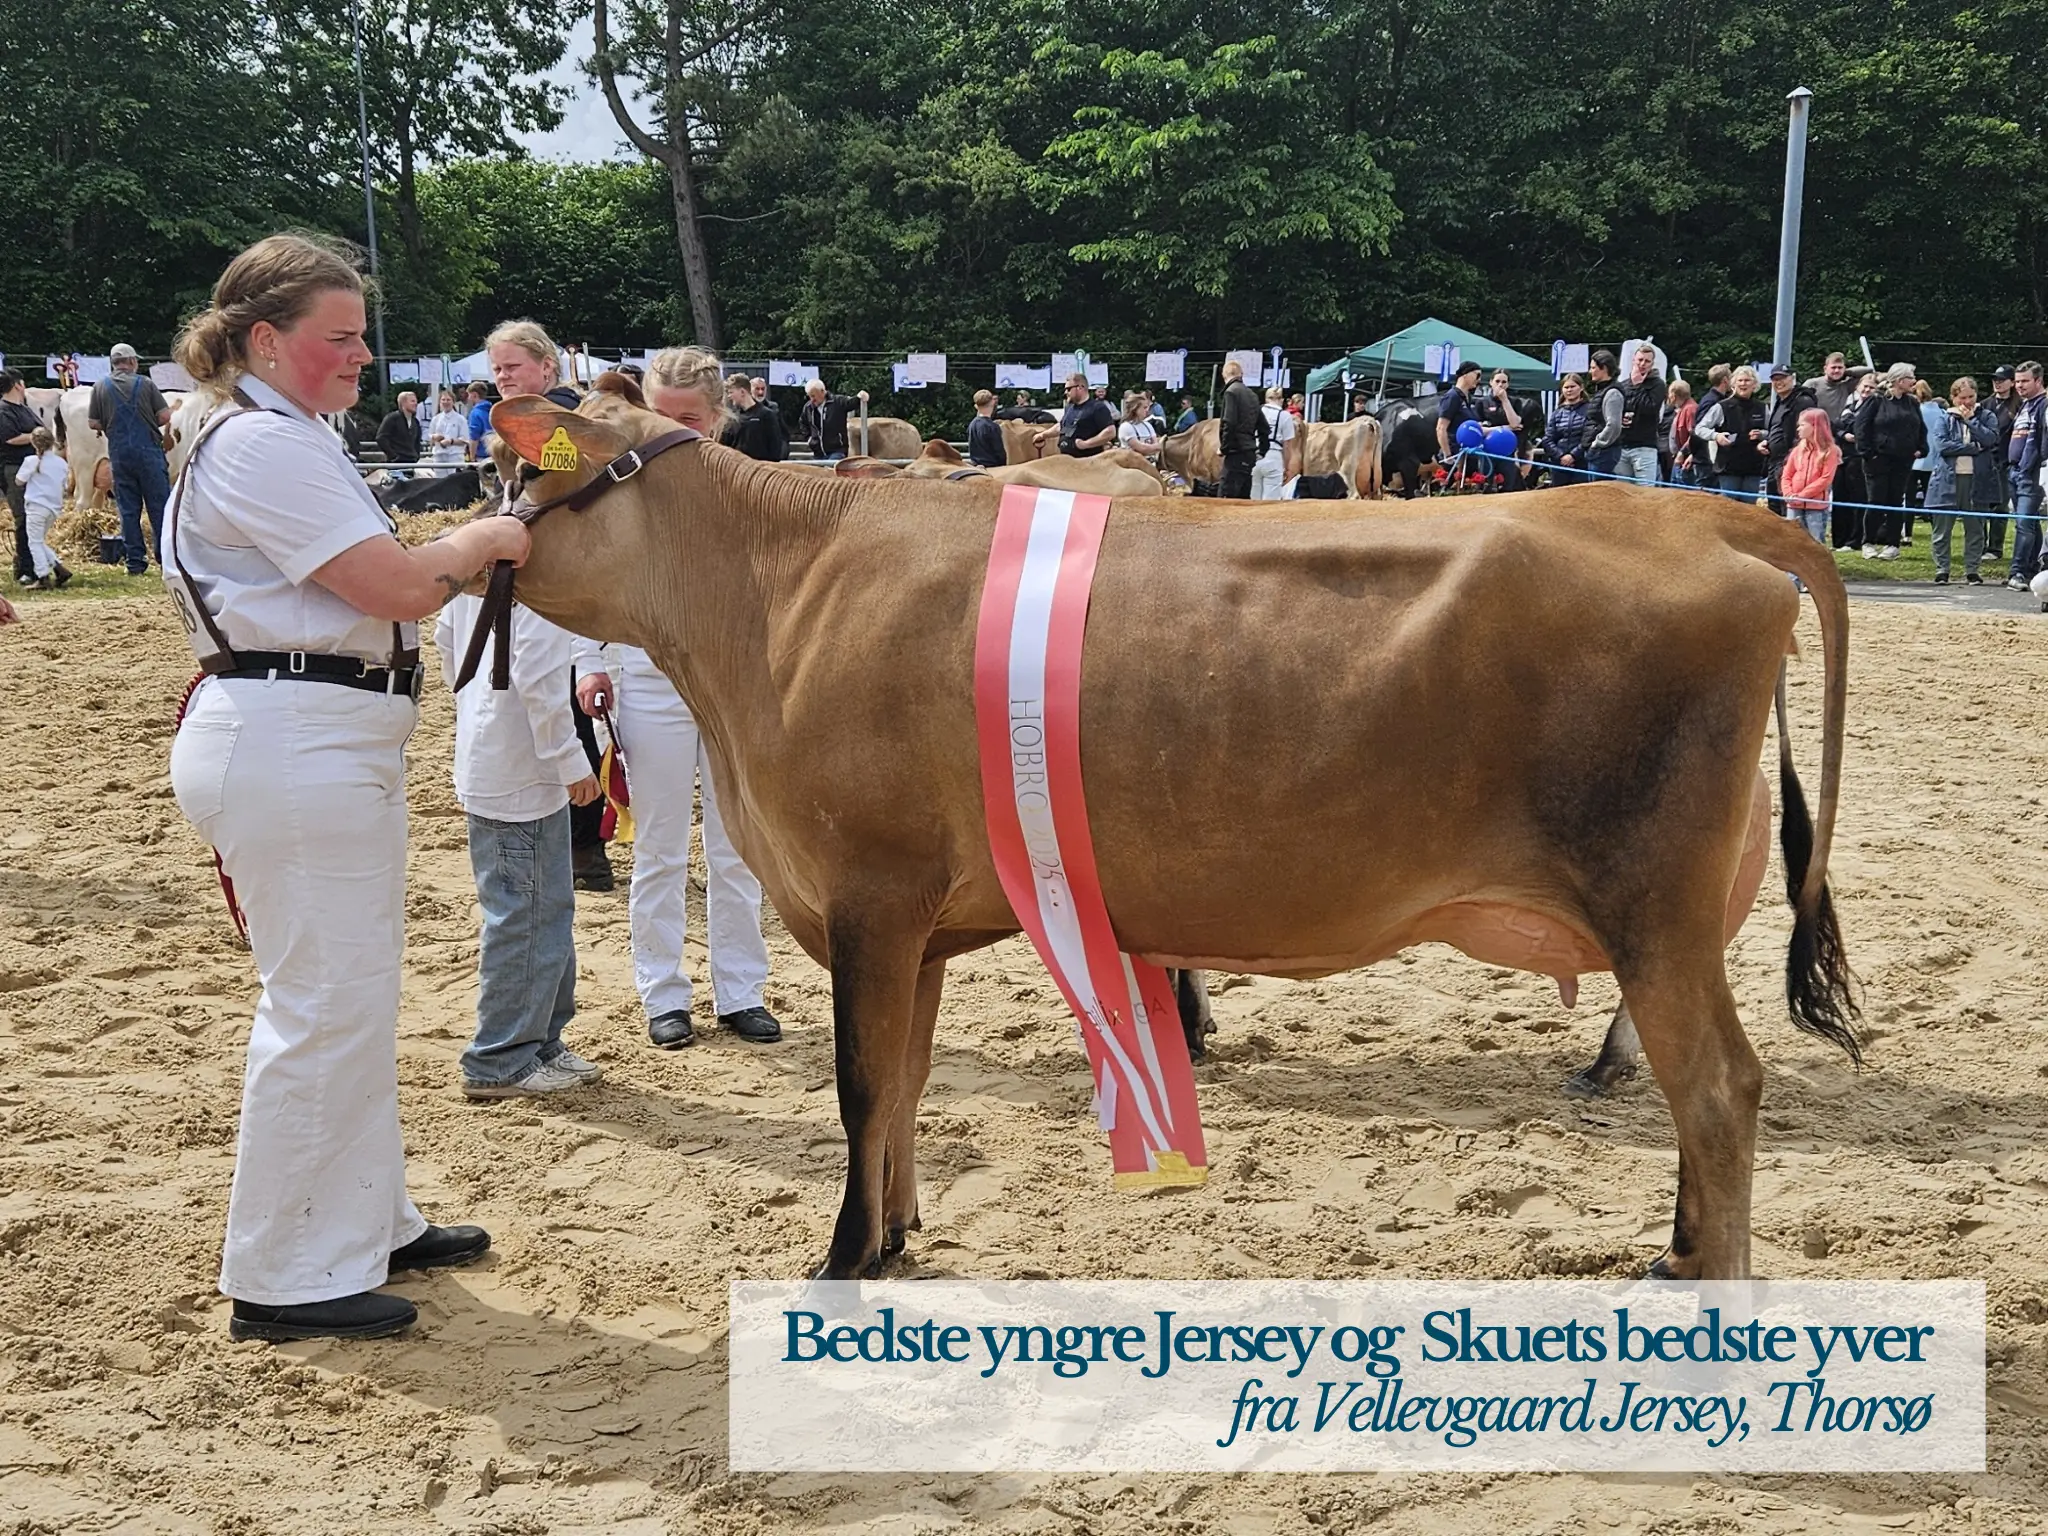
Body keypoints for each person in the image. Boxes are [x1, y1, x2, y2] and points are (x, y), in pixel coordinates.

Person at [164, 232, 529, 1343]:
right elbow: (392, 585)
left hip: (318, 729)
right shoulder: (264, 445)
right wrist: (483, 535)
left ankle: (362, 1221)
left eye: (361, 336)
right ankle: (283, 1272)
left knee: (351, 998)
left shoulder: (289, 432)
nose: (362, 356)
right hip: (292, 730)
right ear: (265, 341)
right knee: (323, 1005)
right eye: (340, 337)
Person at [573, 345, 782, 1050]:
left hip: (730, 685)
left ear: (717, 419)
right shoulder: (617, 484)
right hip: (649, 679)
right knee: (660, 845)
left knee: (738, 846)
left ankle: (741, 989)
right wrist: (587, 659)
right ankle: (663, 991)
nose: (673, 430)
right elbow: (584, 575)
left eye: (688, 419)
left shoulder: (743, 486)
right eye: (660, 416)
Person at [434, 589, 604, 1097]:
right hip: (521, 771)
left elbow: (448, 644)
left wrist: (476, 705)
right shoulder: (533, 588)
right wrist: (571, 761)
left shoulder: (477, 579)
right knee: (524, 917)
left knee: (546, 911)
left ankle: (541, 1040)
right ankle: (500, 1057)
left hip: (500, 759)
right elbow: (537, 678)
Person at [485, 320, 609, 888]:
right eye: (497, 368)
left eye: (512, 366)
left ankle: (585, 845)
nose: (502, 376)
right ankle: (581, 843)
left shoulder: (553, 419)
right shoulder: (528, 420)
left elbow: (554, 491)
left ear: (546, 367)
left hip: (561, 577)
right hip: (549, 573)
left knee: (566, 697)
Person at [89, 342, 173, 575]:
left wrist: (111, 422)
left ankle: (135, 562)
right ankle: (165, 558)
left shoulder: (99, 387)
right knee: (159, 507)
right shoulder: (145, 384)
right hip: (148, 452)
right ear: (133, 362)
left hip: (120, 454)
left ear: (113, 363)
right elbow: (165, 415)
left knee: (128, 510)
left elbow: (93, 422)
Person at [1924, 376, 2000, 586]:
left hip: (1978, 480)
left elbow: (1990, 439)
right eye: (1962, 398)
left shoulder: (1987, 416)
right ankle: (1942, 570)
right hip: (1947, 480)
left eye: (1971, 397)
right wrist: (1973, 448)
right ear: (1954, 398)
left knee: (1975, 528)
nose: (1966, 402)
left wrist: (1971, 421)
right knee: (1942, 529)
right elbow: (1943, 447)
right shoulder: (1943, 418)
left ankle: (1972, 570)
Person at [1854, 363, 1929, 561]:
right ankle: (1868, 541)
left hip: (1903, 460)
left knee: (1896, 501)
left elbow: (1920, 427)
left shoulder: (1911, 403)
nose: (1913, 381)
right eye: (1910, 377)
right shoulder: (1876, 401)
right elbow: (1861, 427)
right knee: (1876, 501)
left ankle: (1893, 543)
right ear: (1899, 380)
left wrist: (1921, 448)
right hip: (1878, 460)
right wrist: (1868, 454)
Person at [1694, 365, 1768, 503]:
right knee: (1729, 510)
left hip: (1753, 468)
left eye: (1747, 380)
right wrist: (1716, 436)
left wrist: (1762, 435)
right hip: (1728, 468)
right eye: (1740, 380)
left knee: (1749, 511)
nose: (1743, 384)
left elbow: (1771, 431)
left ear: (1755, 384)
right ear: (1733, 383)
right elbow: (1700, 428)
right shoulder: (1722, 406)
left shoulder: (1763, 408)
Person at [2005, 361, 2047, 591]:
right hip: (2013, 470)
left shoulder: (2043, 404)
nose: (2019, 386)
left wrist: (2029, 466)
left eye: (2024, 381)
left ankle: (2018, 572)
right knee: (2029, 524)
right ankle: (2035, 567)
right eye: (2017, 381)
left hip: (2030, 473)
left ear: (2038, 381)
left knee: (2024, 523)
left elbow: (2040, 441)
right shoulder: (2024, 405)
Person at [13, 429, 70, 588]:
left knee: (34, 542)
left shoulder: (32, 461)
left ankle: (42, 575)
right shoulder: (61, 463)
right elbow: (65, 485)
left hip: (36, 506)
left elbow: (19, 481)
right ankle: (59, 568)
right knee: (38, 540)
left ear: (33, 443)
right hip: (53, 507)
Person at [1779, 408, 1841, 554]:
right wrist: (1788, 493)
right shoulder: (1797, 449)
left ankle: (1817, 574)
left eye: (1802, 425)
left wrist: (1802, 495)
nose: (1798, 428)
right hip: (1793, 504)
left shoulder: (1830, 451)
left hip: (1816, 507)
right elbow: (1787, 474)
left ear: (1815, 426)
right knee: (1793, 542)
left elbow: (1825, 479)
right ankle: (1793, 576)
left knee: (1815, 543)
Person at [0, 371, 41, 587]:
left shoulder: (24, 409)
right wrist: (37, 436)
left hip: (31, 468)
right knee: (23, 519)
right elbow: (10, 438)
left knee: (33, 519)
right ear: (17, 385)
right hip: (14, 469)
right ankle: (26, 569)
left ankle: (34, 564)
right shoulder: (4, 411)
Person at [1762, 364, 1818, 515]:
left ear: (1792, 378)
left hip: (1792, 463)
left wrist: (1792, 460)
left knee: (1788, 507)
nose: (1778, 382)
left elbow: (1805, 434)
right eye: (1775, 379)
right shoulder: (1780, 401)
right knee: (1773, 506)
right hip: (1774, 462)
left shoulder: (1803, 401)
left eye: (1782, 378)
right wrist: (1767, 442)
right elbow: (1778, 429)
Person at [1831, 370, 1877, 551]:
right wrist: (1843, 434)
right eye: (1865, 386)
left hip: (1859, 456)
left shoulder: (1875, 406)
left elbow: (1865, 429)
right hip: (1842, 454)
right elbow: (1836, 425)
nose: (1867, 390)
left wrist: (1855, 435)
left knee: (1857, 498)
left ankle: (1855, 539)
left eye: (1871, 388)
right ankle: (1839, 539)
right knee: (1839, 496)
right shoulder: (1849, 403)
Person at [1615, 345, 1665, 486]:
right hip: (1623, 445)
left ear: (1652, 364)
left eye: (1647, 361)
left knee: (1646, 492)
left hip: (1645, 447)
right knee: (1622, 492)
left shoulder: (1658, 384)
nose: (1642, 364)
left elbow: (1650, 408)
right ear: (1633, 360)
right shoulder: (1623, 385)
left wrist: (1638, 387)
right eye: (1640, 360)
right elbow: (1618, 408)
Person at [1036, 372, 1115, 459]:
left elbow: (1110, 432)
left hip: (1088, 461)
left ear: (1080, 387)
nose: (1066, 392)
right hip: (1067, 460)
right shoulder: (1069, 407)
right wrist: (1043, 435)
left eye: (1068, 389)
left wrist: (1086, 444)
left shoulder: (1097, 407)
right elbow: (1062, 426)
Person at [1216, 359, 1264, 499]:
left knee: (1226, 497)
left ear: (1224, 375)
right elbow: (1262, 426)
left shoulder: (1230, 392)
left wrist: (1224, 448)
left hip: (1236, 452)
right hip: (1249, 453)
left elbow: (1229, 422)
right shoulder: (1252, 395)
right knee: (1243, 500)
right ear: (1241, 374)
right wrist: (1262, 449)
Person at [1986, 363, 2017, 563]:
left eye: (2002, 380)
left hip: (2006, 462)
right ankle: (1979, 545)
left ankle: (1995, 547)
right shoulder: (1985, 404)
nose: (1998, 383)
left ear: (2012, 382)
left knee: (2000, 506)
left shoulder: (2019, 405)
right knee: (1980, 505)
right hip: (1986, 460)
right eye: (1995, 380)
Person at [1536, 373, 1591, 486]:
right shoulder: (1557, 413)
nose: (1569, 390)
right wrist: (1561, 456)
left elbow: (1589, 436)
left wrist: (1573, 456)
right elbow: (1547, 439)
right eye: (1566, 387)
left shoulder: (1590, 410)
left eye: (1572, 387)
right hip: (1559, 465)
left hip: (1582, 465)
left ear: (1581, 388)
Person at [1909, 379, 1946, 544]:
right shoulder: (1941, 412)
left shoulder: (1915, 412)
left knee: (1909, 498)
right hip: (1934, 461)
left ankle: (1907, 534)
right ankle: (1936, 532)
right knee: (1932, 499)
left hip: (1915, 460)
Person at [1475, 368, 1525, 489]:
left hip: (1507, 451)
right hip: (1487, 451)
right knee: (1485, 485)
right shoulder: (1481, 403)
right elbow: (1479, 430)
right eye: (1497, 381)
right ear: (1491, 382)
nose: (1500, 385)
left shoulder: (1515, 402)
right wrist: (1504, 428)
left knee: (1508, 486)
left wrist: (1505, 400)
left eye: (1503, 382)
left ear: (1508, 384)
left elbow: (1514, 423)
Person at [798, 379, 868, 461]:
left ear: (822, 391)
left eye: (813, 396)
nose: (812, 399)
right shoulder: (808, 408)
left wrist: (860, 396)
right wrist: (810, 439)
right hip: (818, 453)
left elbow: (852, 402)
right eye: (809, 396)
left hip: (837, 451)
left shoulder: (837, 402)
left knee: (830, 469)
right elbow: (802, 423)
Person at [722, 373, 785, 460]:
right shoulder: (732, 418)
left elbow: (775, 449)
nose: (729, 396)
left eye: (731, 392)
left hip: (761, 470)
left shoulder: (767, 415)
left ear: (742, 392)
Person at [1690, 364, 1732, 493]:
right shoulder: (1712, 401)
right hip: (1706, 458)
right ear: (1725, 380)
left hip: (1708, 458)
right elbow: (1698, 429)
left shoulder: (1715, 399)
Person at [1252, 386, 1299, 499]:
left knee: (1253, 498)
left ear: (1266, 399)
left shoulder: (1255, 413)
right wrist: (1286, 467)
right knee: (1271, 502)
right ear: (1281, 400)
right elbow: (1287, 446)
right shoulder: (1285, 416)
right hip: (1274, 456)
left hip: (1255, 455)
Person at [1583, 351, 1624, 479]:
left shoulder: (1613, 393)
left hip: (1604, 452)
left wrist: (1597, 443)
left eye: (1593, 367)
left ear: (1604, 368)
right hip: (1597, 452)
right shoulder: (1601, 391)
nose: (1590, 371)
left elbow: (1614, 425)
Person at [1435, 359, 1482, 464]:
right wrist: (1448, 455)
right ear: (1465, 374)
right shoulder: (1452, 397)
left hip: (1467, 454)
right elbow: (1441, 428)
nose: (1479, 380)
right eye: (1477, 375)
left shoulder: (1468, 398)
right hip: (1454, 455)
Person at [376, 390, 422, 476]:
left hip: (411, 462)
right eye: (412, 401)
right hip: (396, 463)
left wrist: (416, 455)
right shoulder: (392, 418)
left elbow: (417, 441)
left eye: (416, 401)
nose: (415, 404)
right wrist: (393, 455)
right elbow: (381, 437)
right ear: (403, 403)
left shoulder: (415, 422)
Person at [426, 389, 470, 470]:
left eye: (448, 400)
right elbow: (429, 436)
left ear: (453, 402)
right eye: (443, 400)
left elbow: (465, 439)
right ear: (439, 402)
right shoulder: (436, 419)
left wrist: (451, 441)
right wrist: (434, 437)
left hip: (455, 456)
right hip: (439, 456)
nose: (445, 402)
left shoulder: (460, 419)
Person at [1666, 379, 1698, 488]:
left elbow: (1695, 435)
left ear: (1674, 395)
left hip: (1685, 462)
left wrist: (1682, 453)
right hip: (1679, 461)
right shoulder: (1683, 409)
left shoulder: (1690, 410)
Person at [1806, 353, 1854, 420]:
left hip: (1839, 428)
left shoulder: (1846, 385)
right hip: (1817, 426)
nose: (1837, 370)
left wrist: (1846, 372)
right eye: (1833, 367)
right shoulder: (1813, 384)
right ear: (1825, 369)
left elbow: (1869, 371)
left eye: (1840, 368)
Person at [1117, 391, 1162, 462]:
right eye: (1144, 408)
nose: (1147, 410)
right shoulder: (1126, 426)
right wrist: (1156, 447)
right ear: (1135, 409)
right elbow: (1140, 448)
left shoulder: (1148, 425)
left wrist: (1154, 447)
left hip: (1150, 465)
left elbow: (1155, 444)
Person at [749, 377, 788, 457]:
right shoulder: (743, 409)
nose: (760, 392)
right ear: (750, 390)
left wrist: (783, 452)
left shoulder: (774, 408)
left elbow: (784, 433)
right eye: (757, 389)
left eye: (763, 389)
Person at [967, 389, 1006, 468]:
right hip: (992, 467)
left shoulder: (972, 424)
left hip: (976, 466)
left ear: (976, 406)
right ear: (992, 402)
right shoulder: (992, 427)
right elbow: (999, 452)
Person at [464, 381, 494, 452]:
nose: (468, 398)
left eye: (469, 395)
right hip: (493, 451)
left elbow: (474, 437)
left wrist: (472, 457)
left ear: (474, 395)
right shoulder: (492, 411)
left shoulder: (475, 413)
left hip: (481, 453)